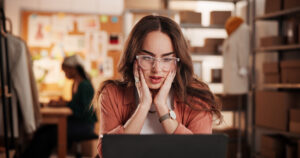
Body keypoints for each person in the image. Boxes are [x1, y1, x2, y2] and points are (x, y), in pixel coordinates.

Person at [94, 15, 222, 157]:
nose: (157, 68)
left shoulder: (197, 98)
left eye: (167, 59)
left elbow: (202, 153)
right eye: (147, 58)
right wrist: (143, 106)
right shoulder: (112, 93)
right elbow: (107, 153)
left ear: (177, 62)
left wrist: (162, 107)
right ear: (133, 58)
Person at [20, 55, 97, 158]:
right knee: (42, 130)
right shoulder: (76, 83)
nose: (65, 74)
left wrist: (65, 104)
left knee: (47, 135)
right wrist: (63, 103)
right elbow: (76, 104)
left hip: (85, 125)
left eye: (65, 71)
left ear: (73, 69)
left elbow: (84, 111)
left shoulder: (85, 85)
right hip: (77, 121)